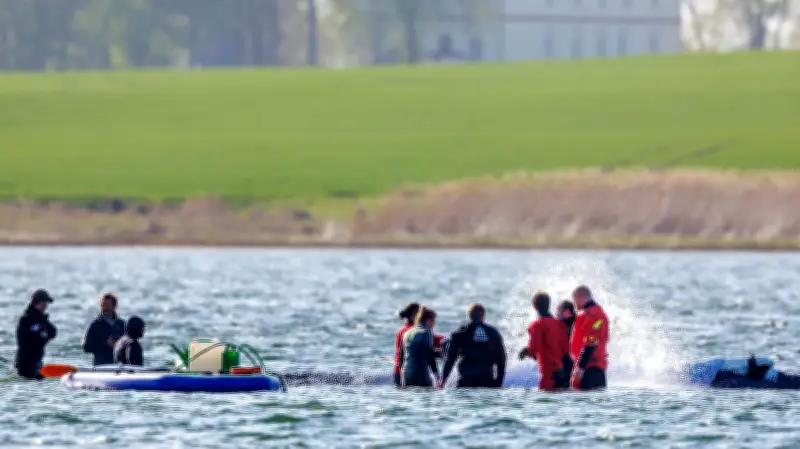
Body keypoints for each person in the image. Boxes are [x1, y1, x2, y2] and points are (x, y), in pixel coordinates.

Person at [441, 303, 507, 388]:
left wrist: (443, 380)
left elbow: (450, 359)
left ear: (469, 316)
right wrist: (499, 381)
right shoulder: (493, 333)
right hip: (487, 381)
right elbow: (501, 359)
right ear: (483, 316)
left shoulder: (459, 333)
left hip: (466, 381)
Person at [518, 292, 570, 391]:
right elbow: (566, 349)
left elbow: (534, 348)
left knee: (544, 403)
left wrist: (524, 352)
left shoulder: (537, 325)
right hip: (561, 370)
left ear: (535, 306)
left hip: (548, 373)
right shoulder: (560, 324)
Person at [394, 303, 446, 388]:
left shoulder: (406, 333)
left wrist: (402, 380)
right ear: (428, 320)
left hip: (406, 374)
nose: (434, 324)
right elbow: (430, 356)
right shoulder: (426, 332)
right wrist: (437, 377)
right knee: (427, 399)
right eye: (433, 321)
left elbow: (401, 357)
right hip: (420, 373)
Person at [569, 286, 610, 391]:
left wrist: (581, 367)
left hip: (591, 368)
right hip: (591, 367)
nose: (574, 304)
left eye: (574, 300)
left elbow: (592, 341)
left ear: (580, 297)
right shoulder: (592, 313)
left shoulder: (593, 315)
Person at [15, 289, 58, 380]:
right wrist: (40, 335)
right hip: (25, 362)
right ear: (38, 302)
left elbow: (53, 331)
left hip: (37, 361)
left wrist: (43, 335)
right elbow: (27, 337)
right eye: (45, 302)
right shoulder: (26, 319)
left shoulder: (42, 319)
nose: (46, 305)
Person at [82, 293, 126, 366]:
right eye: (103, 305)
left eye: (108, 305)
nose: (105, 307)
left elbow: (130, 345)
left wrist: (119, 344)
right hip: (101, 366)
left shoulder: (122, 324)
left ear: (114, 306)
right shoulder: (95, 325)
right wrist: (105, 344)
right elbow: (86, 348)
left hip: (119, 366)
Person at [557, 300, 577, 376]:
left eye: (560, 311)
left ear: (567, 311)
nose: (558, 313)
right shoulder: (561, 324)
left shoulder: (576, 323)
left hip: (572, 360)